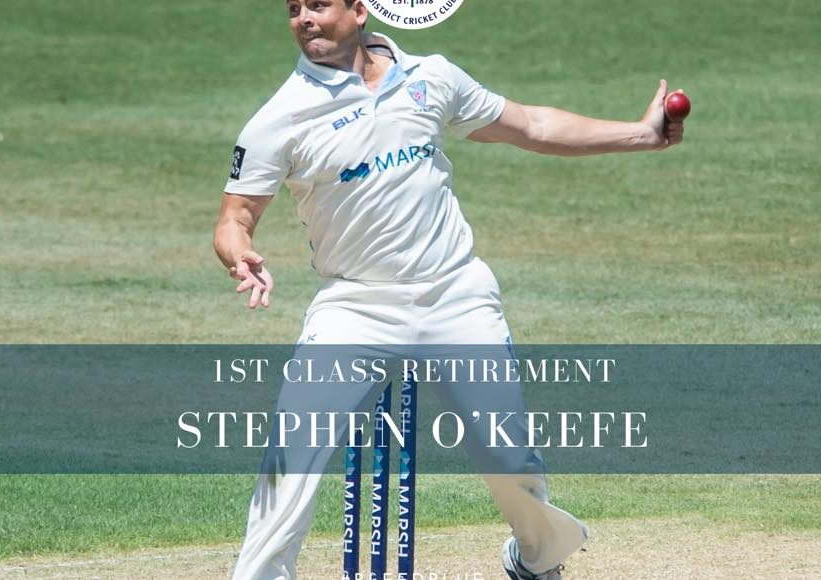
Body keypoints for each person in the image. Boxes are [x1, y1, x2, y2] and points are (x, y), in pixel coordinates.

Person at [213, 1, 685, 578]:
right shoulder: (280, 117)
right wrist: (240, 254)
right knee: (290, 460)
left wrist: (641, 134)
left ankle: (535, 559)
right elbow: (234, 217)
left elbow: (532, 126)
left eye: (317, 4)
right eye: (293, 9)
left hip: (455, 293)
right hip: (355, 305)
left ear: (359, 10)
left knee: (512, 462)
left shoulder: (431, 77)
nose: (303, 18)